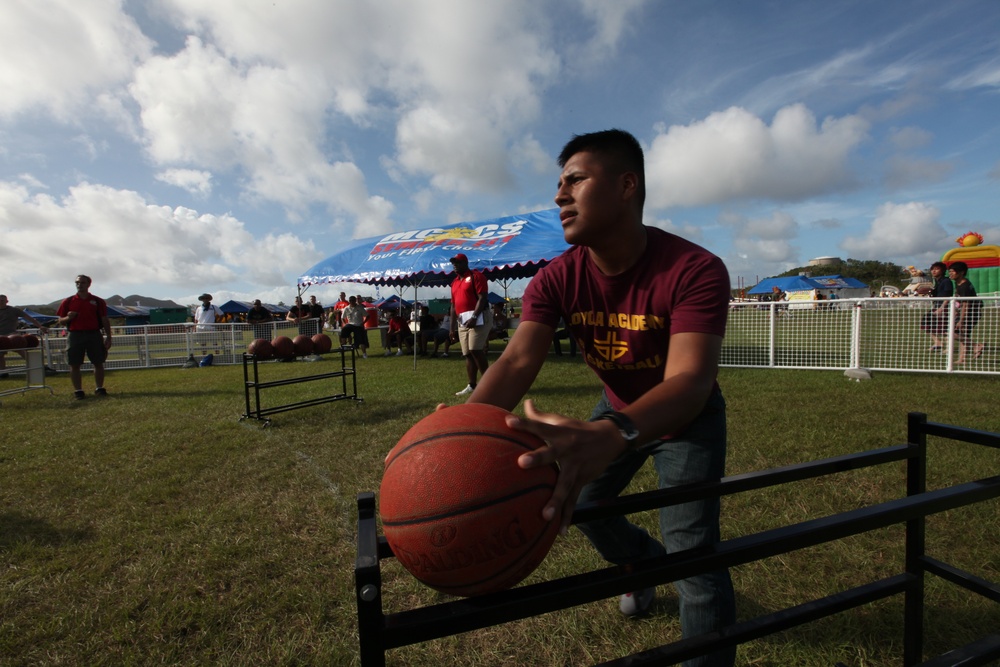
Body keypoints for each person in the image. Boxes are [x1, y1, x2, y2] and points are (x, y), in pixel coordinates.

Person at [462, 129, 735, 666]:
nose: (560, 196)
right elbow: (516, 361)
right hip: (615, 407)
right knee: (586, 506)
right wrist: (454, 435)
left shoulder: (695, 269)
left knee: (692, 556)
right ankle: (639, 564)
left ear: (627, 185)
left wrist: (617, 433)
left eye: (576, 181)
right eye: (558, 185)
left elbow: (689, 383)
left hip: (686, 418)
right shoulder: (554, 279)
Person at [54, 275, 113, 399]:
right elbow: (60, 320)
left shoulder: (98, 301)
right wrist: (69, 318)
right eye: (77, 282)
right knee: (74, 363)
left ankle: (99, 388)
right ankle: (78, 391)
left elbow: (104, 319)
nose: (79, 285)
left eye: (82, 282)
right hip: (75, 335)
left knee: (98, 362)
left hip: (94, 334)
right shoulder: (68, 301)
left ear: (88, 284)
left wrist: (109, 336)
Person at [448, 253, 493, 395]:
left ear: (466, 263)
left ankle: (489, 384)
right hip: (462, 320)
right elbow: (453, 306)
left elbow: (483, 298)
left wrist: (474, 316)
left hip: (478, 317)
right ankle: (472, 385)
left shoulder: (476, 277)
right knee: (467, 353)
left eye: (458, 262)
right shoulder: (454, 282)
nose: (455, 265)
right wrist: (451, 328)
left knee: (475, 349)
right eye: (453, 263)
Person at [0, 294, 50, 377]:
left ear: (7, 301)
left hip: (11, 334)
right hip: (0, 336)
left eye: (2, 300)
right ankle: (3, 372)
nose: (0, 302)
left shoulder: (14, 310)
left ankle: (39, 367)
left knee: (20, 349)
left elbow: (29, 318)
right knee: (0, 354)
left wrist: (40, 326)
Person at [949, 261, 984, 364]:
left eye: (952, 272)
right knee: (963, 335)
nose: (950, 274)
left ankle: (976, 346)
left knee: (954, 334)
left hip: (971, 313)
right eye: (949, 271)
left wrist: (961, 319)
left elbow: (966, 304)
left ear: (961, 272)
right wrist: (956, 311)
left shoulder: (964, 286)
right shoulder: (959, 283)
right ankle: (962, 359)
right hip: (968, 312)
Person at [919, 262, 953, 352]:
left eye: (937, 269)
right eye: (932, 269)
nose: (934, 271)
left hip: (944, 306)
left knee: (944, 327)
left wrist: (942, 308)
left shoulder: (946, 281)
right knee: (926, 322)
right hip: (937, 305)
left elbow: (948, 296)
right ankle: (937, 342)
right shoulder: (937, 281)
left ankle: (948, 347)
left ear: (942, 271)